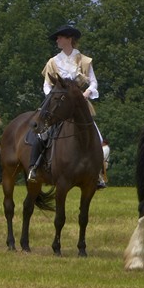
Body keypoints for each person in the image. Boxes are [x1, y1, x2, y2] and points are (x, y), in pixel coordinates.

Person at [29, 23, 105, 187]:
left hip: (79, 105)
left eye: (60, 37)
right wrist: (53, 98)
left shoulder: (84, 61)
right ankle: (34, 167)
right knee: (42, 134)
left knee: (97, 137)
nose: (57, 40)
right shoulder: (53, 62)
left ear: (69, 39)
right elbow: (46, 85)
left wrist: (86, 93)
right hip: (58, 105)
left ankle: (98, 173)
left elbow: (93, 82)